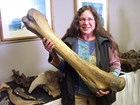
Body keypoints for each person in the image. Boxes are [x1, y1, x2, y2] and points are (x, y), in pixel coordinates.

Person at [42, 5, 121, 105]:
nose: (86, 23)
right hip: (76, 96)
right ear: (77, 22)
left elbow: (115, 65)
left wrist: (109, 85)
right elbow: (64, 68)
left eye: (90, 19)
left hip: (100, 97)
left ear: (95, 21)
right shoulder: (69, 42)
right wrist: (52, 52)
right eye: (82, 19)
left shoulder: (106, 42)